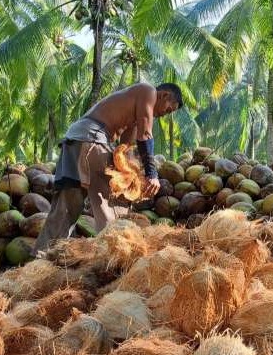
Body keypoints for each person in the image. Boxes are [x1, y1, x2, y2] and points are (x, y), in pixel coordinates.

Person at [33, 82, 184, 255]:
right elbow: (146, 134)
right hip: (92, 138)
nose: (165, 115)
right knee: (114, 198)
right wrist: (151, 173)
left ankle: (42, 259)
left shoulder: (133, 113)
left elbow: (124, 149)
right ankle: (112, 255)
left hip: (75, 140)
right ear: (164, 95)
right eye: (169, 109)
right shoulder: (148, 91)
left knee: (68, 203)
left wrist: (133, 176)